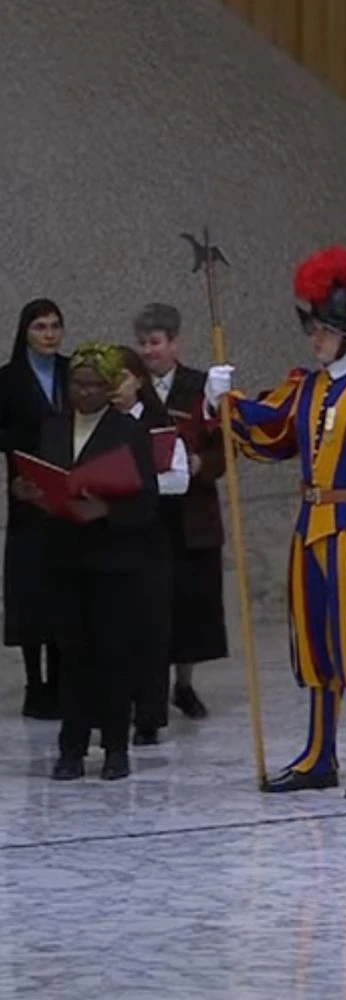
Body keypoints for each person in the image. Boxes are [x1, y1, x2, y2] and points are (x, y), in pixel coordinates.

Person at [205, 245, 346, 800]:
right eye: (314, 328)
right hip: (310, 530)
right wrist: (223, 402)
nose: (315, 338)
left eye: (325, 330)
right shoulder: (306, 388)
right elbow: (272, 430)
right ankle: (318, 754)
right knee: (315, 646)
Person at [14, 344, 159, 781]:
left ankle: (115, 747)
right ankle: (71, 749)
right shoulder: (54, 427)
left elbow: (147, 502)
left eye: (94, 385)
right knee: (72, 655)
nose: (85, 392)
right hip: (64, 556)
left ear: (109, 387)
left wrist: (108, 510)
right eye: (78, 384)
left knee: (113, 654)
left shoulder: (128, 432)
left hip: (112, 560)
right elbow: (42, 475)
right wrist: (27, 492)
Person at [135, 302, 226, 720]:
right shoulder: (132, 387)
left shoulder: (201, 387)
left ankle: (184, 685)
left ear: (174, 343)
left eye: (155, 342)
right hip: (149, 512)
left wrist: (201, 464)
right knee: (150, 604)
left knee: (191, 602)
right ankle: (147, 685)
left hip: (192, 511)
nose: (148, 351)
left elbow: (225, 446)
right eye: (142, 343)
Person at [111, 345, 190, 745]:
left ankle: (148, 716)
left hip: (152, 537)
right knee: (113, 629)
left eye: (121, 378)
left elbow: (179, 479)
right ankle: (112, 710)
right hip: (109, 537)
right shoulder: (100, 425)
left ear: (139, 380)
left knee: (151, 629)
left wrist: (132, 483)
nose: (114, 387)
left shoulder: (159, 424)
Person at [0, 299, 69, 718]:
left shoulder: (71, 372)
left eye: (55, 326)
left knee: (62, 589)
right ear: (25, 332)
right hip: (27, 496)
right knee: (29, 591)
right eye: (40, 327)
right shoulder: (8, 379)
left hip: (65, 495)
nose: (49, 334)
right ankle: (34, 683)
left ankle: (60, 681)